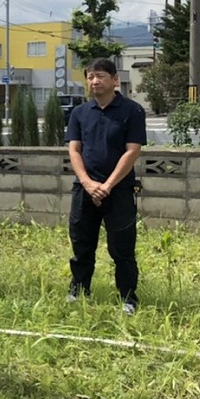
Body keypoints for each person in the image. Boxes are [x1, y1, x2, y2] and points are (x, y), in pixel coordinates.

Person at [65, 58, 146, 314]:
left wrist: (108, 185)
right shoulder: (79, 113)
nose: (94, 81)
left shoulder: (132, 111)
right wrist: (88, 183)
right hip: (84, 189)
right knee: (81, 243)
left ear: (114, 80)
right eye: (90, 76)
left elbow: (133, 151)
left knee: (122, 248)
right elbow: (74, 149)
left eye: (100, 76)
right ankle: (78, 290)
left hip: (119, 190)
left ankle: (128, 298)